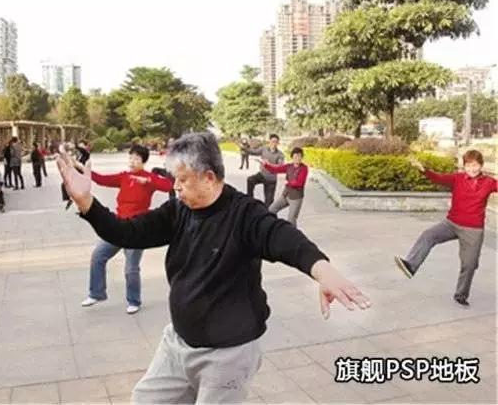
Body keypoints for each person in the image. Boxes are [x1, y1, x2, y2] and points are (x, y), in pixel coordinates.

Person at [58, 132, 371, 404]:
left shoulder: (245, 214)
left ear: (209, 177)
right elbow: (127, 233)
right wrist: (86, 202)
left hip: (228, 354)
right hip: (178, 343)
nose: (175, 188)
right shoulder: (178, 210)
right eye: (174, 179)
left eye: (183, 180)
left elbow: (284, 238)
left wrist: (323, 270)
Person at [395, 150, 498, 307]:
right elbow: (438, 178)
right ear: (464, 166)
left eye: (475, 165)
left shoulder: (489, 182)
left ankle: (461, 295)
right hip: (451, 224)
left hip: (473, 230)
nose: (472, 169)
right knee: (429, 235)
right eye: (469, 165)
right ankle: (411, 265)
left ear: (481, 165)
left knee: (469, 264)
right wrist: (424, 170)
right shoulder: (457, 178)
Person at [80, 144, 173, 314]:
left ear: (143, 161)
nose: (132, 161)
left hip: (137, 228)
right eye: (130, 157)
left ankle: (133, 300)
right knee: (98, 257)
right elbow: (101, 179)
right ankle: (96, 293)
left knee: (131, 268)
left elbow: (168, 186)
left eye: (136, 158)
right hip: (118, 225)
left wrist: (148, 181)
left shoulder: (148, 178)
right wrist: (83, 170)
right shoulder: (124, 177)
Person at [262, 146, 309, 228]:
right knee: (271, 210)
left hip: (296, 198)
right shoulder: (289, 166)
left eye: (299, 156)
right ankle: (273, 228)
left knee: (291, 220)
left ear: (302, 157)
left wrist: (288, 183)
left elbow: (299, 183)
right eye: (295, 156)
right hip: (285, 195)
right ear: (292, 157)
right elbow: (275, 170)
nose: (297, 158)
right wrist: (266, 165)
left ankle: (293, 235)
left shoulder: (304, 169)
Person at [246, 133, 285, 208]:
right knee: (250, 180)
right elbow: (253, 152)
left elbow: (280, 167)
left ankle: (267, 213)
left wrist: (269, 164)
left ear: (278, 143)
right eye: (272, 141)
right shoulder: (264, 149)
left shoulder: (280, 154)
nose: (274, 144)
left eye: (276, 142)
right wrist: (245, 148)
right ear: (269, 141)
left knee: (269, 203)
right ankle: (250, 200)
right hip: (262, 175)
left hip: (271, 180)